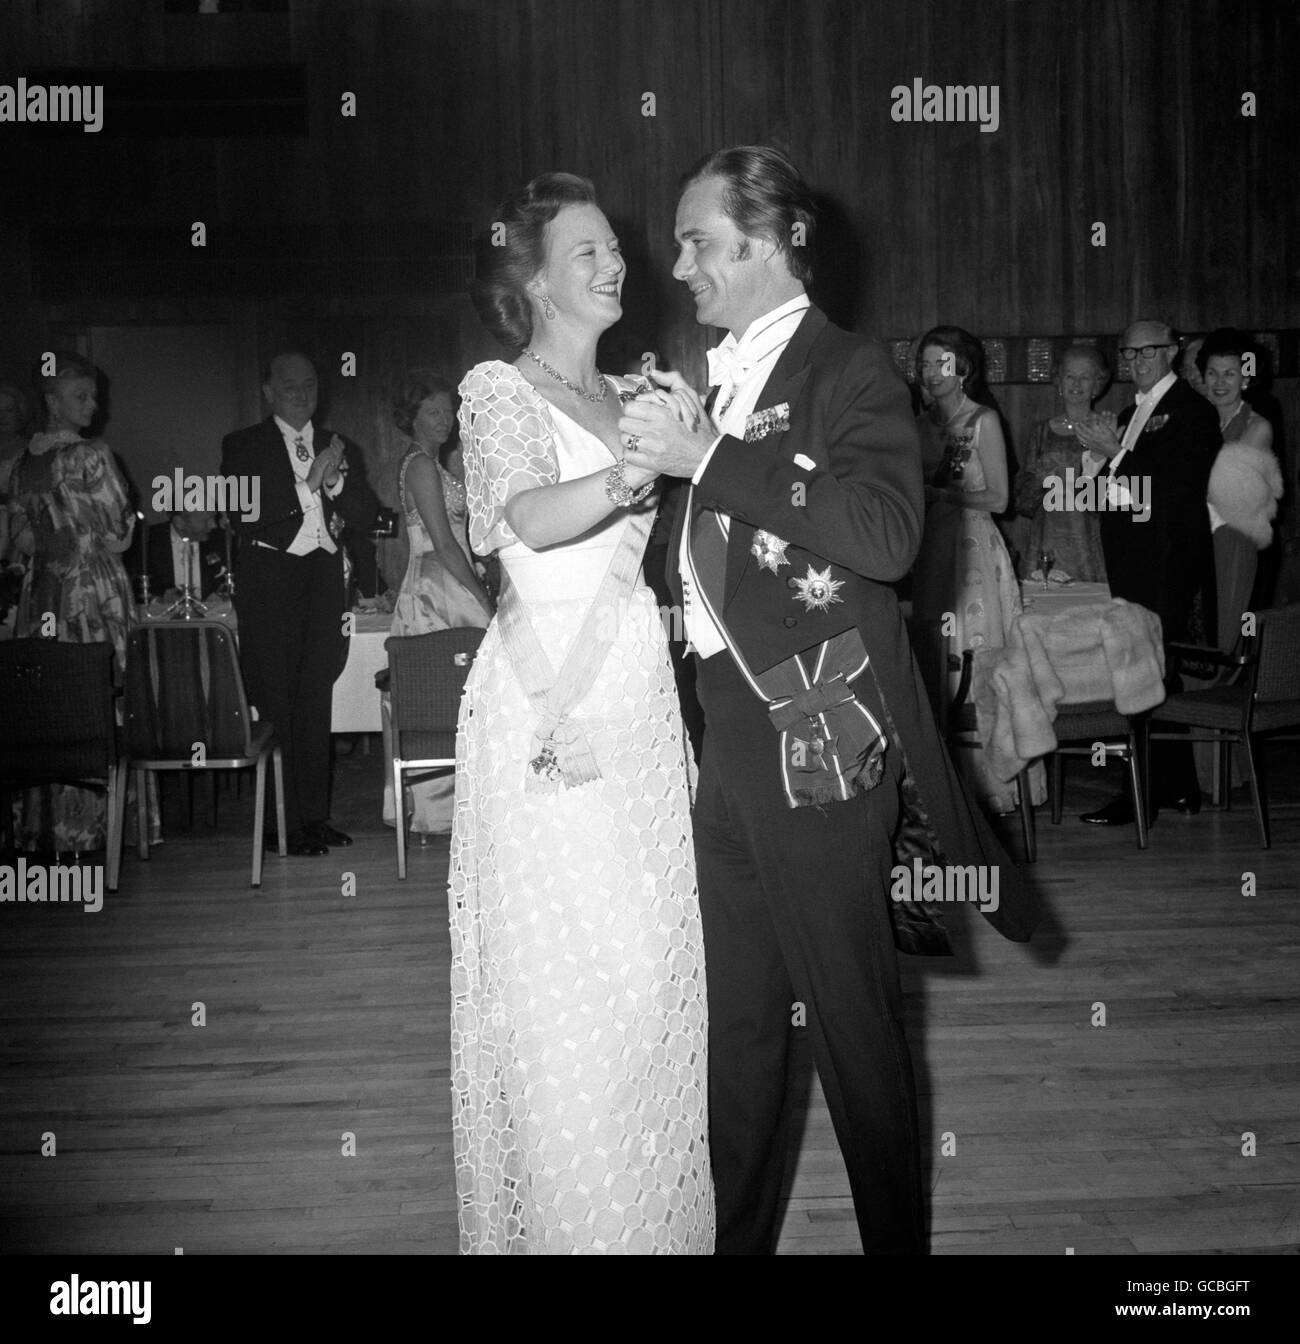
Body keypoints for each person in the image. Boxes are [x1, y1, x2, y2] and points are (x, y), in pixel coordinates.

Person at [619, 145, 1039, 1255]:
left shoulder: (851, 370)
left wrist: (707, 452)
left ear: (765, 244)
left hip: (811, 730)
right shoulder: (720, 373)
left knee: (851, 1029)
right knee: (745, 1028)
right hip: (727, 727)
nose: (680, 263)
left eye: (698, 242)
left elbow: (886, 540)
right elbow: (722, 551)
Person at [450, 171, 713, 1254]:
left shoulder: (639, 395)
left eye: (616, 248)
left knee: (649, 970)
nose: (616, 265)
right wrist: (630, 477)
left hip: (640, 699)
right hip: (544, 705)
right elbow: (521, 517)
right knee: (566, 982)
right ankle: (572, 1225)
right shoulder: (497, 389)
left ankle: (650, 1219)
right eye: (589, 252)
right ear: (537, 283)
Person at [219, 351, 379, 856]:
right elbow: (244, 514)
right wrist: (310, 485)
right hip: (270, 582)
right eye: (289, 386)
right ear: (268, 390)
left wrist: (335, 481)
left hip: (322, 580)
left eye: (309, 385)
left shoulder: (339, 445)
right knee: (277, 701)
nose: (301, 394)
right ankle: (280, 826)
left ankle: (313, 817)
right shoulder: (243, 445)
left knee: (316, 699)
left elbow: (365, 513)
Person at [1074, 319, 1220, 824]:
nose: (1136, 362)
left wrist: (1117, 454)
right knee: (1153, 672)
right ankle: (1177, 787)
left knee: (1145, 670)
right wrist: (1095, 462)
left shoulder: (1192, 411)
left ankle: (1137, 795)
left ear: (1172, 352)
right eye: (1129, 354)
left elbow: (1177, 491)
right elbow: (1109, 495)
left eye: (1147, 352)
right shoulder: (1127, 411)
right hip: (1130, 558)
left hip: (1166, 562)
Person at [6, 352, 135, 853]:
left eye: (94, 395)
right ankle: (100, 830)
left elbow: (20, 541)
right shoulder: (90, 455)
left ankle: (44, 829)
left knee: (46, 707)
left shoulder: (25, 462)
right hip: (91, 589)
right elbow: (119, 531)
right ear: (52, 400)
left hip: (42, 592)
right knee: (97, 699)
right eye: (81, 395)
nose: (92, 404)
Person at [910, 325, 1033, 813]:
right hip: (929, 552)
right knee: (935, 667)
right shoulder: (917, 425)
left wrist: (943, 495)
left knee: (979, 665)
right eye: (925, 363)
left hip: (973, 552)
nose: (932, 373)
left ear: (963, 370)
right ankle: (942, 790)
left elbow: (1000, 498)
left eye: (943, 363)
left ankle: (993, 787)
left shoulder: (982, 420)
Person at [383, 369, 493, 837]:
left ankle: (452, 807)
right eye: (432, 411)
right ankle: (439, 812)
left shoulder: (428, 462)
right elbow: (446, 545)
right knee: (447, 693)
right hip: (439, 587)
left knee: (455, 694)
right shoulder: (421, 465)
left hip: (443, 579)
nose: (444, 419)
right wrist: (485, 601)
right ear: (412, 417)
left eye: (449, 409)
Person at [1197, 328, 1282, 648]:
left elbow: (1222, 488)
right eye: (1212, 373)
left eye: (1229, 374)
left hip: (1233, 540)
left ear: (1245, 378)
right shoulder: (1196, 419)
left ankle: (1223, 696)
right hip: (1195, 539)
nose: (1220, 383)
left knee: (1226, 634)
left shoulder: (1257, 425)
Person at [1013, 344, 1110, 583]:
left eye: (1084, 377)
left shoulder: (1106, 430)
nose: (1076, 384)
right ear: (1058, 380)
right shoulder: (1041, 432)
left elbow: (1115, 500)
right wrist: (1041, 478)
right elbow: (1023, 503)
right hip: (1047, 543)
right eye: (1070, 376)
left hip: (1091, 544)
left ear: (1097, 384)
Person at [138, 509, 231, 600]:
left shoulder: (220, 539)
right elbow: (135, 587)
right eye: (206, 520)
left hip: (212, 611)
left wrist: (221, 594)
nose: (213, 525)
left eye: (213, 518)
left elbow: (230, 579)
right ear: (179, 522)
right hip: (163, 613)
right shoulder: (148, 540)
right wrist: (158, 598)